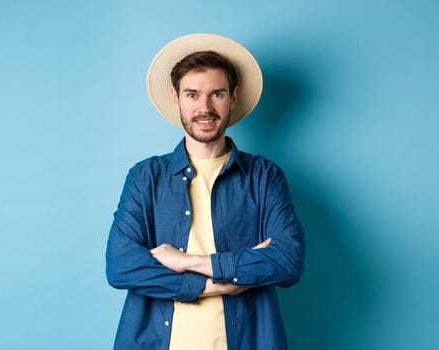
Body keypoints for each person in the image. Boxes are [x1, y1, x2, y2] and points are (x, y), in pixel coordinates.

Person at [106, 33, 305, 350]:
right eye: (193, 94)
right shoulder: (145, 178)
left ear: (233, 97)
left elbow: (287, 261)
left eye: (217, 94)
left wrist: (187, 261)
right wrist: (217, 285)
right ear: (176, 99)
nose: (205, 107)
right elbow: (120, 266)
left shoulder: (264, 177)